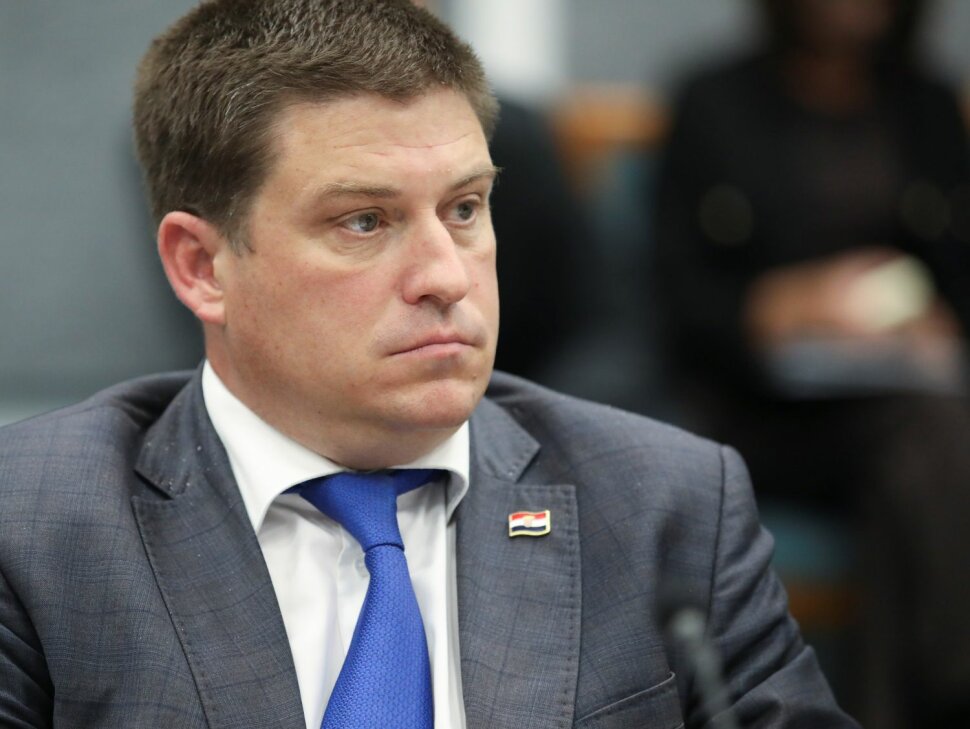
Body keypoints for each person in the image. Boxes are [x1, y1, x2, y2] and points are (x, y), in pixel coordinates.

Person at [0, 1, 856, 727]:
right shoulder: (35, 531)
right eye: (364, 221)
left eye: (465, 208)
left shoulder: (667, 504)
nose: (447, 275)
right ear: (202, 266)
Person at [654, 0, 970, 725]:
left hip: (899, 399)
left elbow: (958, 276)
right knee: (929, 448)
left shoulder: (925, 105)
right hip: (761, 410)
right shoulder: (713, 101)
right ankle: (952, 688)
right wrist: (776, 305)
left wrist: (931, 317)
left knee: (910, 466)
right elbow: (675, 303)